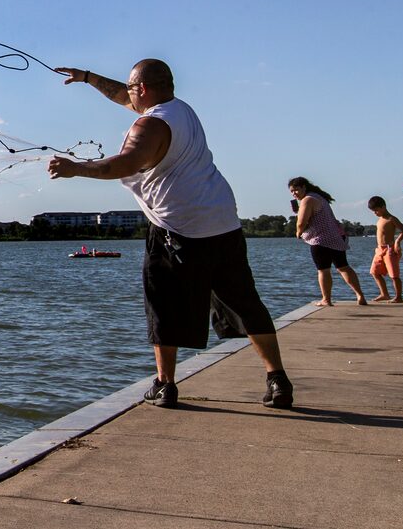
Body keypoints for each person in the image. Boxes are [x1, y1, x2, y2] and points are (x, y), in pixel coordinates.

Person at [47, 59, 292, 409]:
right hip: (223, 222)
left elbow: (126, 163)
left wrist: (76, 169)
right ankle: (277, 378)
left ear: (143, 89)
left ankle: (165, 384)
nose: (128, 95)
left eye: (133, 89)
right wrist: (87, 78)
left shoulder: (150, 125)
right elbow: (123, 93)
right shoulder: (181, 110)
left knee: (162, 304)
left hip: (177, 227)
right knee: (245, 303)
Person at [288, 177, 367, 306]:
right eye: (292, 191)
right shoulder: (320, 197)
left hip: (320, 240)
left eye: (296, 190)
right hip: (336, 237)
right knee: (343, 267)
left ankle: (326, 299)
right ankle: (360, 295)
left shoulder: (307, 200)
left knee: (323, 270)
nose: (294, 193)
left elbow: (301, 222)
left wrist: (298, 232)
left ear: (304, 187)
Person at [367, 196, 403, 303]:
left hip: (389, 249)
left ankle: (398, 296)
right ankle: (384, 294)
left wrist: (397, 242)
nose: (375, 213)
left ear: (383, 207)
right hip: (379, 250)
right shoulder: (380, 220)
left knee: (394, 275)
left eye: (376, 210)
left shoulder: (391, 219)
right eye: (373, 211)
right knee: (375, 272)